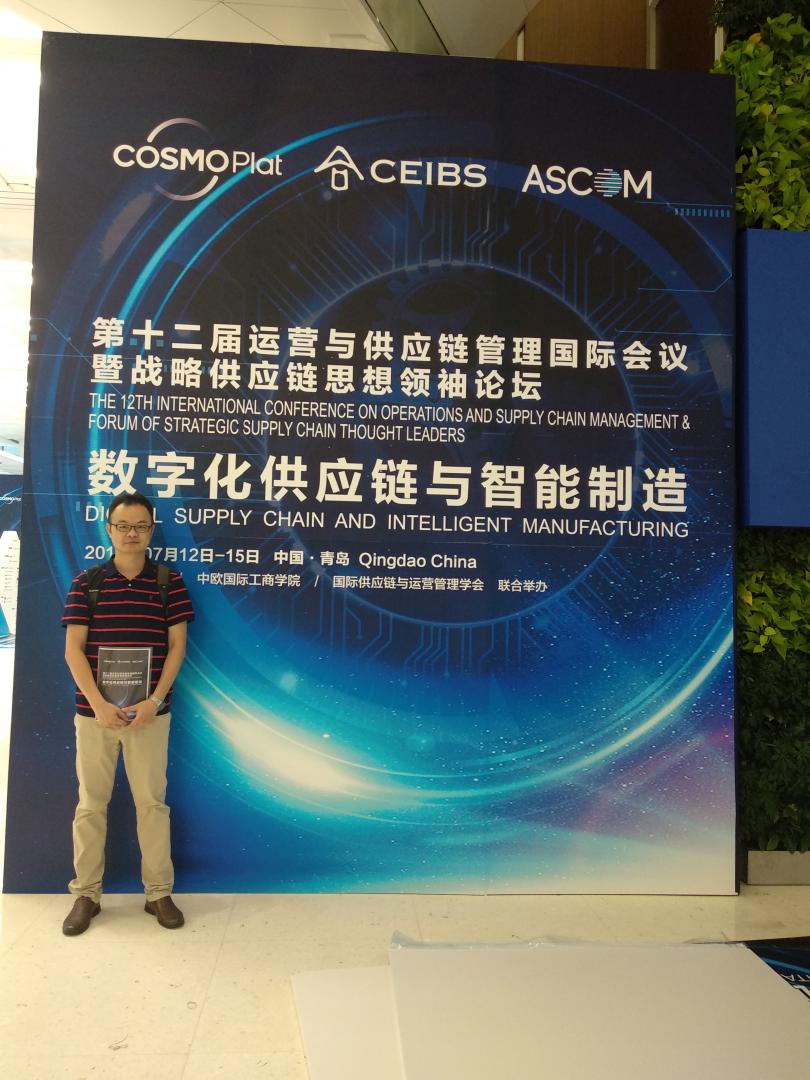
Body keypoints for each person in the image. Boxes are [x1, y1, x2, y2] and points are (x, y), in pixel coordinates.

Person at [61, 492, 194, 935]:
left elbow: (177, 647)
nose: (131, 533)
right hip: (94, 715)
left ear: (151, 530)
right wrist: (99, 705)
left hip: (150, 716)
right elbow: (73, 650)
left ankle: (158, 893)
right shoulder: (88, 583)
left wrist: (154, 701)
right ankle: (86, 894)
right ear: (109, 529)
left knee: (152, 804)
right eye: (123, 526)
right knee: (90, 804)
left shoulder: (169, 582)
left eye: (140, 526)